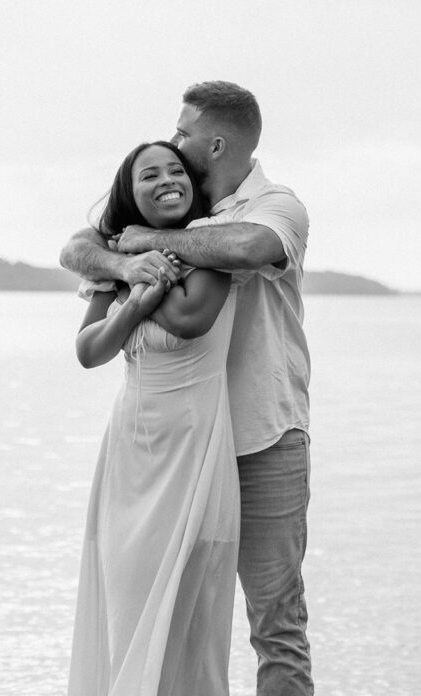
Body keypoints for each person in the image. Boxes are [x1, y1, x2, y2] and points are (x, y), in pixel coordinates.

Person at [61, 81, 314, 696]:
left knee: (274, 620)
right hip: (171, 446)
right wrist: (124, 263)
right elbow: (78, 248)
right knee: (161, 607)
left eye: (183, 135)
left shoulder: (274, 206)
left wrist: (146, 245)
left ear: (216, 142)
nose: (174, 144)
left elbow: (248, 248)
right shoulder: (176, 207)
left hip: (261, 437)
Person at [67, 140, 240, 696]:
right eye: (150, 174)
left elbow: (192, 318)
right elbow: (89, 350)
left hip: (194, 450)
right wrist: (135, 293)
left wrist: (150, 269)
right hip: (129, 458)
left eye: (176, 170)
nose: (167, 180)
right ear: (130, 191)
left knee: (188, 620)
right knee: (127, 606)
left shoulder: (212, 246)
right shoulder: (120, 265)